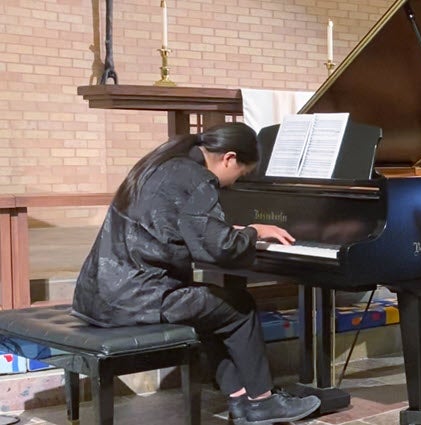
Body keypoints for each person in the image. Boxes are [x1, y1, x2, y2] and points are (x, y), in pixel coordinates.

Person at [71, 123, 321, 425]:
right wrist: (254, 231)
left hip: (99, 293)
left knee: (210, 310)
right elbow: (220, 250)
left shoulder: (162, 163)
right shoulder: (197, 178)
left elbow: (183, 226)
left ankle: (239, 398)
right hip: (138, 298)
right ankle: (262, 403)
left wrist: (225, 231)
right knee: (239, 306)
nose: (233, 183)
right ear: (228, 158)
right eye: (240, 175)